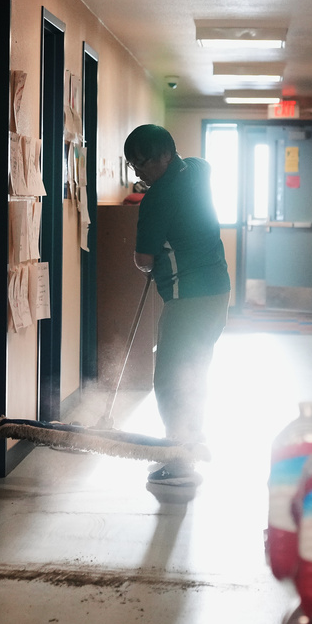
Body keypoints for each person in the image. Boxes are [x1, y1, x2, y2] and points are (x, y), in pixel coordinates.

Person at [124, 124, 231, 486]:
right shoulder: (198, 168)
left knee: (171, 377)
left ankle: (180, 457)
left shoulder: (158, 199)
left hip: (189, 297)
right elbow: (202, 167)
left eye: (143, 163)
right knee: (195, 369)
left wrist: (147, 264)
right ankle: (192, 439)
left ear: (165, 156)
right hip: (217, 291)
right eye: (133, 165)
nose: (139, 171)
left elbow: (143, 258)